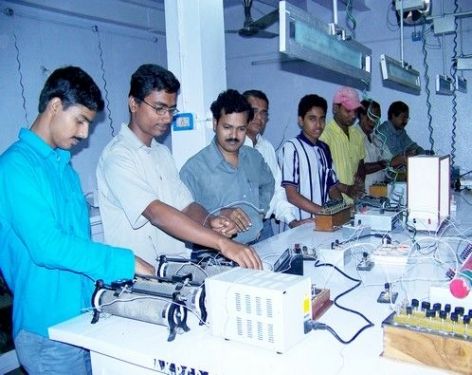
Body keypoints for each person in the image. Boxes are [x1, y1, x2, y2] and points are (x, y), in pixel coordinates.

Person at [0, 66, 155, 374]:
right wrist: (124, 261)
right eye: (80, 120)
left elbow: (79, 245)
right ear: (55, 106)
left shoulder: (65, 169)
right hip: (47, 327)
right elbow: (47, 246)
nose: (84, 133)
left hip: (83, 316)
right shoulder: (15, 167)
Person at [97, 65, 262, 269]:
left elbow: (186, 206)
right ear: (133, 104)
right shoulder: (118, 156)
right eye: (159, 108)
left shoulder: (162, 153)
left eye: (171, 110)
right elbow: (155, 213)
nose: (167, 118)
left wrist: (210, 221)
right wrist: (222, 243)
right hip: (139, 279)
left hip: (172, 273)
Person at [180, 89, 274, 245]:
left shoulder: (254, 157)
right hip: (215, 255)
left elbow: (268, 184)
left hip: (257, 246)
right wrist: (216, 216)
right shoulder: (194, 169)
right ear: (215, 124)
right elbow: (183, 215)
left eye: (241, 129)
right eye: (227, 127)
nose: (234, 135)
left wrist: (259, 211)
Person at [242, 89, 300, 238]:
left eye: (263, 113)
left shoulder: (266, 147)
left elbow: (277, 190)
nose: (259, 118)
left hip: (265, 226)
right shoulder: (233, 147)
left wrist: (292, 220)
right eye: (254, 111)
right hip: (240, 230)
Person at [278, 94, 343, 220]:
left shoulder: (325, 149)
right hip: (298, 224)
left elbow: (332, 188)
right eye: (312, 119)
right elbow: (291, 194)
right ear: (301, 121)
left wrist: (343, 209)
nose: (318, 124)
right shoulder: (291, 148)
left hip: (323, 222)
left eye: (322, 119)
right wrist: (324, 211)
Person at [319, 86, 365, 203]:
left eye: (356, 111)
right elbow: (322, 174)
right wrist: (347, 189)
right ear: (335, 108)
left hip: (354, 204)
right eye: (348, 111)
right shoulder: (324, 136)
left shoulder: (357, 134)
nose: (353, 115)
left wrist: (359, 180)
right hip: (334, 204)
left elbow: (360, 163)